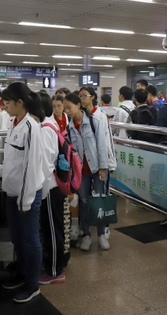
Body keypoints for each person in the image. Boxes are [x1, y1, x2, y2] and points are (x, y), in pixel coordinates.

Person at [0, 83, 44, 303]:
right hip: (12, 194)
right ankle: (23, 274)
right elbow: (12, 158)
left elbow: (32, 167)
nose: (4, 107)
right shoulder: (13, 124)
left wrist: (26, 201)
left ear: (20, 102)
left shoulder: (32, 127)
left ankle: (33, 284)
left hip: (27, 196)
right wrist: (1, 171)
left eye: (7, 102)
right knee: (16, 238)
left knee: (30, 240)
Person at [64, 92, 110, 251]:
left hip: (96, 168)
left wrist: (103, 168)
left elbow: (102, 146)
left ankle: (101, 234)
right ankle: (86, 235)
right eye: (65, 109)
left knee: (98, 201)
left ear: (78, 105)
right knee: (84, 202)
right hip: (81, 172)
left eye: (69, 107)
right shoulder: (69, 127)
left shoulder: (94, 122)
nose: (67, 111)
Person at [38, 92, 67, 285]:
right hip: (51, 186)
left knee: (53, 230)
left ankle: (55, 271)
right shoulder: (49, 125)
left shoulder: (45, 129)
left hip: (50, 188)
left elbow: (47, 164)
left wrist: (41, 189)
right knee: (52, 228)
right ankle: (53, 264)